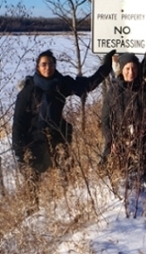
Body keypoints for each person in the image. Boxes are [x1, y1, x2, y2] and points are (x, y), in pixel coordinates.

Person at [12, 48, 114, 203]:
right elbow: (19, 122)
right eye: (44, 64)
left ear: (55, 65)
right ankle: (33, 214)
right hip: (33, 141)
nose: (48, 67)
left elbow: (88, 85)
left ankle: (65, 207)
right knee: (32, 184)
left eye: (51, 64)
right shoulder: (28, 90)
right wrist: (19, 151)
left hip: (57, 138)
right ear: (38, 67)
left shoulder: (61, 83)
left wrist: (106, 66)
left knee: (64, 176)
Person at [100, 53, 146, 171]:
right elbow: (105, 120)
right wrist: (111, 141)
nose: (131, 72)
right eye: (127, 69)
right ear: (122, 70)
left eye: (134, 68)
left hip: (143, 140)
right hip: (120, 141)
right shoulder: (113, 91)